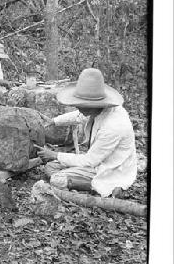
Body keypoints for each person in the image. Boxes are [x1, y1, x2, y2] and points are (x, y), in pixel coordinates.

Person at [35, 68, 137, 198]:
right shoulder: (97, 110)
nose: (77, 107)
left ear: (92, 104)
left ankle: (107, 187)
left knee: (57, 179)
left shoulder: (113, 125)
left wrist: (54, 154)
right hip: (97, 160)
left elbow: (90, 161)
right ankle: (79, 179)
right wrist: (53, 121)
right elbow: (78, 116)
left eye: (79, 104)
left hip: (110, 169)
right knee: (50, 167)